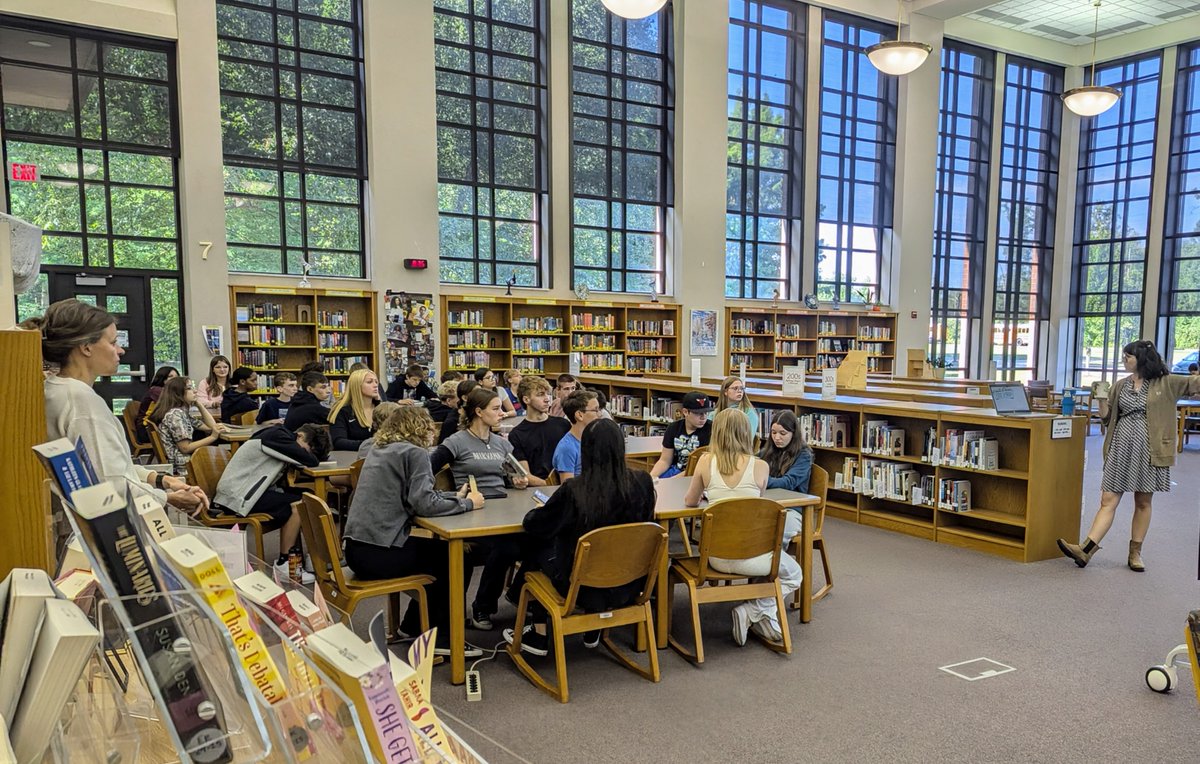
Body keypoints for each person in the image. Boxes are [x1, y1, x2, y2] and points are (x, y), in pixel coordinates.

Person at [23, 299, 208, 514]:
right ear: (86, 347)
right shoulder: (81, 402)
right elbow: (111, 486)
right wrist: (167, 498)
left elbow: (106, 467)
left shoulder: (56, 390)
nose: (120, 350)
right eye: (112, 343)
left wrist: (160, 479)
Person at [503, 418, 657, 655]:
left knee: (539, 546)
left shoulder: (575, 489)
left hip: (581, 587)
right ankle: (591, 626)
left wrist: (537, 512)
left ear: (585, 449)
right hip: (630, 582)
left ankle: (540, 632)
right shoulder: (643, 483)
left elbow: (537, 525)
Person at [343, 406, 485, 656]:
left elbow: (411, 496)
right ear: (422, 429)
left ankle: (414, 624)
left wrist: (451, 496)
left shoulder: (381, 450)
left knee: (439, 556)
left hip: (358, 549)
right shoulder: (415, 453)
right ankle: (444, 638)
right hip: (380, 553)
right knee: (457, 558)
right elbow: (424, 504)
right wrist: (467, 503)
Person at [1058, 340, 1200, 571]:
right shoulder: (1120, 385)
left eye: (1128, 356)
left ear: (1142, 358)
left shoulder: (1168, 382)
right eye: (1124, 356)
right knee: (1108, 500)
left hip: (1150, 448)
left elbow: (1195, 383)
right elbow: (1106, 418)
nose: (1124, 360)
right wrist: (1101, 399)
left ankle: (1135, 553)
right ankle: (1085, 550)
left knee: (1143, 501)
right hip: (1120, 447)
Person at [684, 409, 800, 646]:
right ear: (747, 433)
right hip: (753, 557)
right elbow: (753, 506)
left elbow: (689, 502)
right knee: (796, 574)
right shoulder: (760, 467)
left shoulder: (705, 462)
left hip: (714, 557)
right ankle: (756, 609)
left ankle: (758, 613)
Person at [431, 387, 529, 628]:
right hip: (475, 511)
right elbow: (427, 469)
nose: (502, 413)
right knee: (505, 547)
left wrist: (517, 481)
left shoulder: (501, 444)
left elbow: (508, 476)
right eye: (496, 409)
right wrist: (452, 497)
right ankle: (482, 607)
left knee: (537, 538)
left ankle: (520, 595)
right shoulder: (456, 441)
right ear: (478, 412)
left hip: (505, 507)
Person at [213, 423, 331, 582]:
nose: (304, 452)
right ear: (301, 436)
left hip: (247, 492)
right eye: (306, 448)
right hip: (238, 496)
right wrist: (308, 455)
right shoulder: (277, 435)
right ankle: (284, 563)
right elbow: (309, 460)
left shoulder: (279, 437)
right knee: (300, 503)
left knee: (308, 496)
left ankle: (309, 556)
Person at [152, 377, 225, 476]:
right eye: (190, 388)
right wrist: (212, 437)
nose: (195, 391)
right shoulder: (175, 415)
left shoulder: (182, 412)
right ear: (178, 393)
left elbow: (211, 427)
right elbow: (185, 448)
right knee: (224, 462)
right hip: (182, 465)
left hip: (184, 460)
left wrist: (199, 405)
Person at [508, 376, 571, 486]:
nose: (547, 399)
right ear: (526, 399)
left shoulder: (563, 425)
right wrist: (553, 486)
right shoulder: (517, 434)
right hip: (539, 490)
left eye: (547, 394)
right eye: (540, 395)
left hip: (567, 484)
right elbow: (526, 475)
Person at [649, 391, 714, 478]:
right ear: (685, 412)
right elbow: (665, 460)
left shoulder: (713, 430)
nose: (703, 417)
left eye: (706, 413)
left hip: (699, 474)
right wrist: (651, 477)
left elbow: (702, 467)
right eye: (698, 413)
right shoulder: (673, 428)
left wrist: (673, 480)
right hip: (676, 470)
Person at [552, 391, 602, 480]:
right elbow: (568, 488)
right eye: (595, 410)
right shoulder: (567, 448)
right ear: (579, 415)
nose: (600, 414)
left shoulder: (594, 439)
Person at [760, 410, 813, 493]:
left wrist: (761, 480)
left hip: (793, 501)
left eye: (782, 433)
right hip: (771, 496)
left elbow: (788, 482)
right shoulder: (769, 450)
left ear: (794, 434)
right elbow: (753, 461)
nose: (777, 437)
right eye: (773, 432)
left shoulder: (804, 455)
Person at [328, 368, 380, 451]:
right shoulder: (342, 411)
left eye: (376, 382)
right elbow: (339, 442)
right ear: (356, 386)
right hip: (352, 459)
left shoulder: (382, 408)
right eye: (369, 382)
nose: (375, 385)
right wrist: (369, 445)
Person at [135, 365, 178, 443]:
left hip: (159, 427)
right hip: (148, 430)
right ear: (162, 379)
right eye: (170, 377)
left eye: (177, 377)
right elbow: (173, 406)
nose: (175, 379)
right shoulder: (156, 390)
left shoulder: (171, 392)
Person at [713, 376, 759, 442]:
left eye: (741, 388)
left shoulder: (749, 413)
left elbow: (748, 439)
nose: (739, 391)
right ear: (725, 392)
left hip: (740, 449)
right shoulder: (715, 413)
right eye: (735, 388)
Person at [437, 379, 478, 445]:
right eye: (476, 393)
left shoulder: (481, 417)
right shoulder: (452, 421)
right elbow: (443, 447)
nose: (482, 396)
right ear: (465, 398)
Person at [196, 355, 231, 419]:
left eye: (225, 367)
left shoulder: (234, 383)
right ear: (213, 369)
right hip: (211, 418)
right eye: (218, 367)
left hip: (232, 417)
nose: (222, 370)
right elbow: (200, 401)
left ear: (229, 369)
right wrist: (214, 404)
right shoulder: (204, 383)